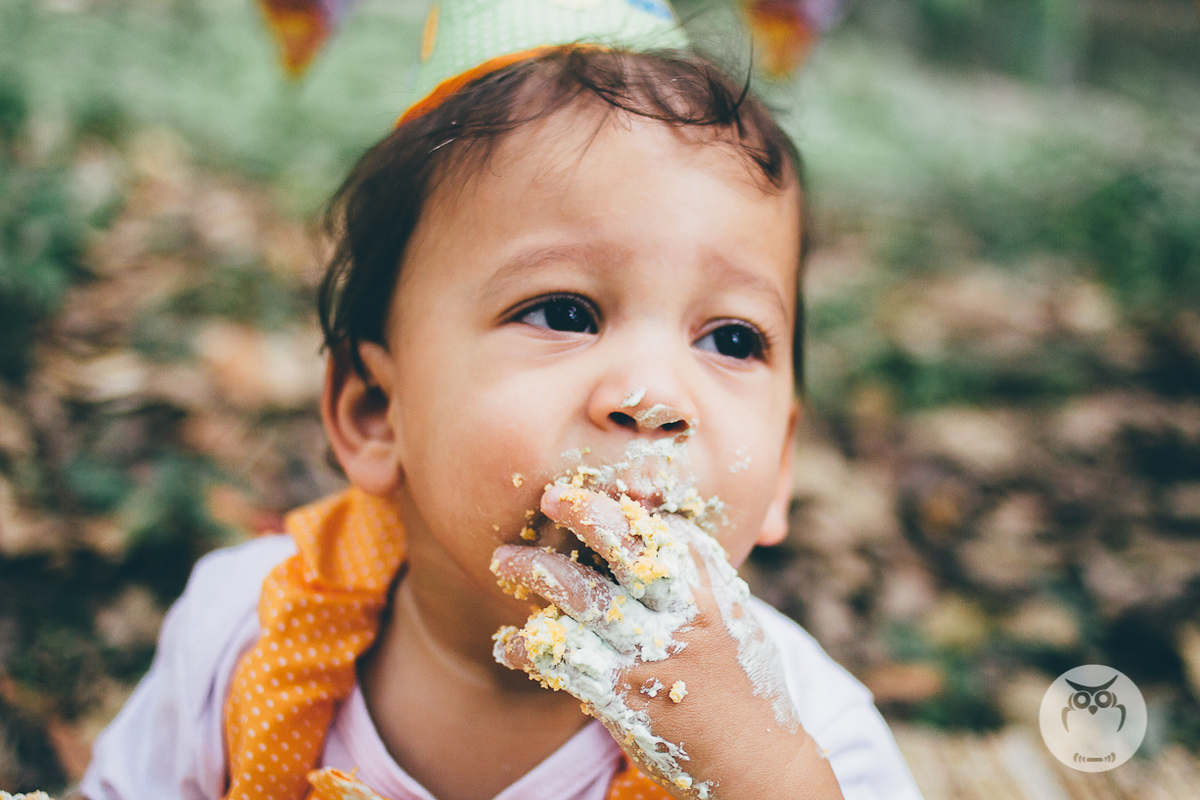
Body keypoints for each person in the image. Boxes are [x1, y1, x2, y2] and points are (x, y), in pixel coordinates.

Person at [82, 1, 924, 799]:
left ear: (781, 464)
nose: (655, 399)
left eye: (732, 339)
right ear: (377, 412)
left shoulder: (813, 732)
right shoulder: (247, 636)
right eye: (564, 313)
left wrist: (757, 772)